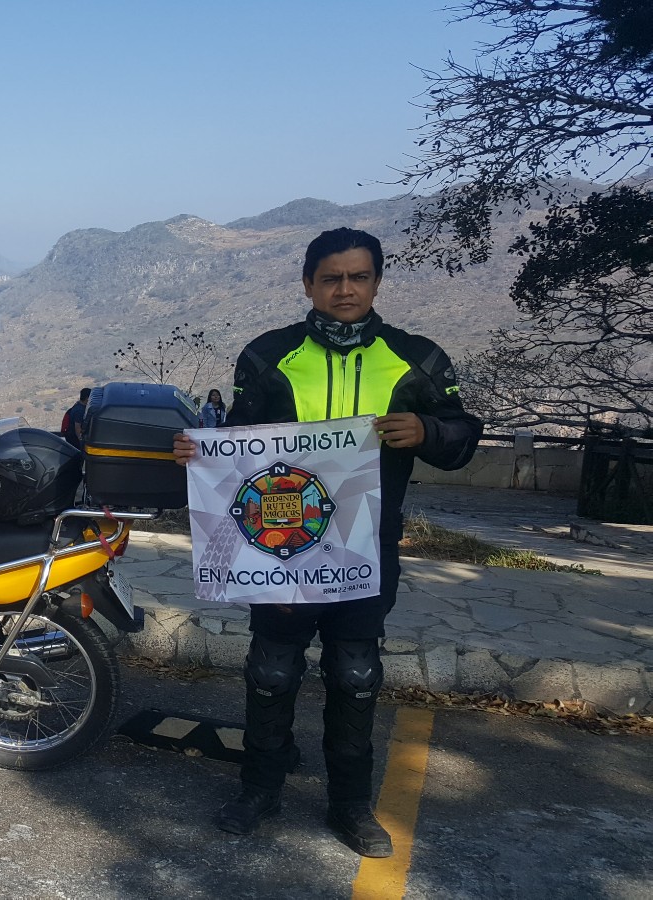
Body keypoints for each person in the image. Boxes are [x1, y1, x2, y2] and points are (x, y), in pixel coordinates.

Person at [171, 228, 480, 858]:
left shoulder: (417, 359)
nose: (345, 289)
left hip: (367, 548)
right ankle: (258, 790)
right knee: (271, 670)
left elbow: (463, 434)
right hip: (280, 547)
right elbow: (237, 442)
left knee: (356, 672)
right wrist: (200, 455)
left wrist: (426, 429)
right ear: (309, 283)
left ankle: (350, 808)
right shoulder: (266, 356)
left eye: (358, 277)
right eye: (331, 278)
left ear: (376, 282)